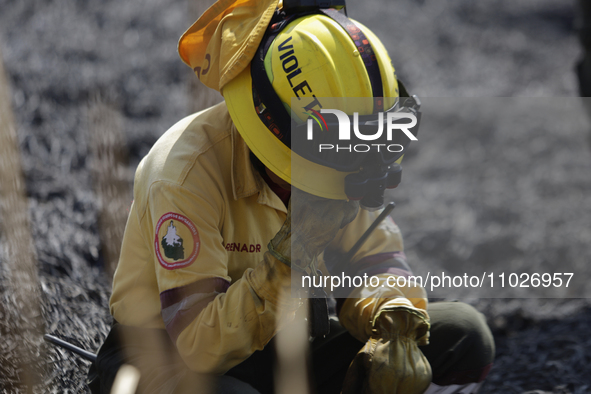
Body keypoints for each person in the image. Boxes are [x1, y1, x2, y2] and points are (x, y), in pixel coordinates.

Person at [87, 1, 495, 393]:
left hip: (286, 342)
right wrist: (291, 257)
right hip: (162, 357)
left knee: (463, 338)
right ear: (275, 134)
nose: (338, 183)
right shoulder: (183, 172)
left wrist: (392, 320)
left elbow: (377, 261)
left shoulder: (345, 159)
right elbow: (200, 345)